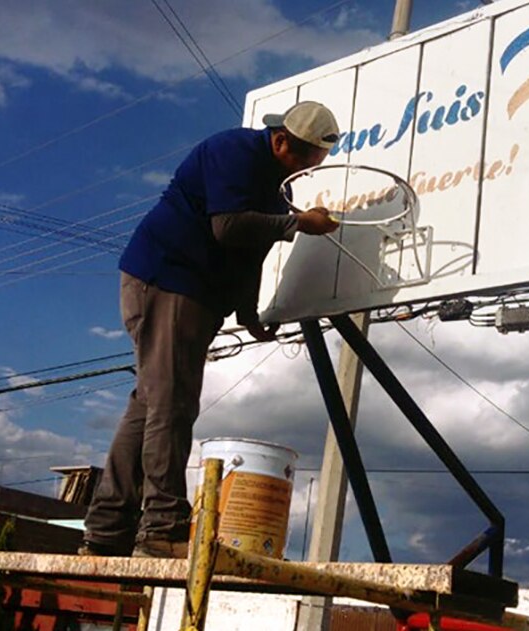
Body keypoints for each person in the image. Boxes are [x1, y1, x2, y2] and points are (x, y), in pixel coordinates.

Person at [79, 102, 341, 558]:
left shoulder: (272, 184)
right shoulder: (234, 151)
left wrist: (249, 314)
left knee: (149, 405)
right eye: (306, 160)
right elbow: (229, 227)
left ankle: (106, 530)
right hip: (167, 280)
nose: (307, 171)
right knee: (173, 402)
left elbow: (251, 251)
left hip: (193, 294)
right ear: (282, 141)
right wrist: (300, 222)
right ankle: (162, 529)